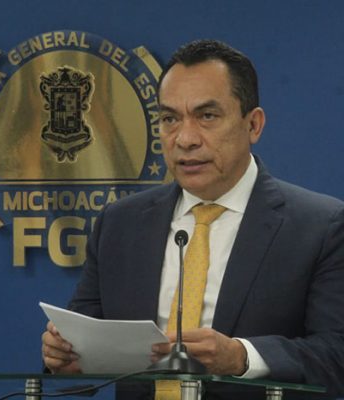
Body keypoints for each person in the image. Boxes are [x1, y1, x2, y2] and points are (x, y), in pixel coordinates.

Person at [41, 39, 344, 399]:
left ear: (253, 125)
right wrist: (64, 357)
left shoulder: (320, 227)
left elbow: (336, 355)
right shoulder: (119, 224)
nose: (185, 139)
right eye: (170, 119)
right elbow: (80, 354)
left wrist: (242, 357)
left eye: (207, 116)